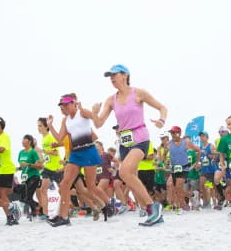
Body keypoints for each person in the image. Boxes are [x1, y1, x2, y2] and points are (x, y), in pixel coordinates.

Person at [92, 64, 167, 226]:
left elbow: (162, 107)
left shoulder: (138, 93)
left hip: (140, 138)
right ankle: (151, 213)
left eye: (114, 74)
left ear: (125, 75)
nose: (111, 78)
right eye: (109, 76)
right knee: (131, 178)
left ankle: (154, 207)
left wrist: (161, 120)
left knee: (124, 172)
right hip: (124, 143)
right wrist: (94, 112)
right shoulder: (111, 100)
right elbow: (98, 124)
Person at [48, 94, 112, 227]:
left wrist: (93, 110)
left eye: (66, 104)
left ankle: (108, 204)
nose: (63, 107)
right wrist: (50, 125)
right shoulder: (65, 120)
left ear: (74, 103)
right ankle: (64, 217)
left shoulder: (81, 113)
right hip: (75, 153)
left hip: (88, 151)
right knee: (65, 184)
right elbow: (60, 138)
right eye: (61, 105)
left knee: (91, 187)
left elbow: (96, 120)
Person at [36, 117, 64, 218]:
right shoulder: (43, 138)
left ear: (46, 127)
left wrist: (42, 151)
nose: (38, 128)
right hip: (47, 169)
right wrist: (42, 160)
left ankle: (68, 208)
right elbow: (49, 156)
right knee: (43, 189)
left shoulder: (50, 137)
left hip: (56, 168)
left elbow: (56, 153)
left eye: (40, 126)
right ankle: (46, 213)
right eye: (38, 126)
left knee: (62, 190)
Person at [17, 134, 43, 220]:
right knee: (22, 198)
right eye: (22, 139)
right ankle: (37, 209)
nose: (22, 141)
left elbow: (39, 167)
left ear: (29, 142)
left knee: (28, 197)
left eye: (25, 140)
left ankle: (35, 212)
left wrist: (29, 164)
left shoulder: (33, 152)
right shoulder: (21, 152)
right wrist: (18, 168)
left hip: (34, 176)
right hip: (25, 177)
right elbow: (23, 166)